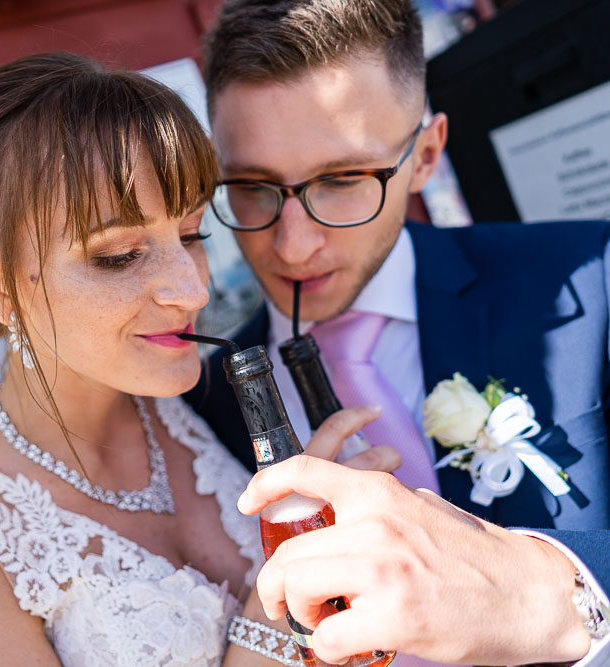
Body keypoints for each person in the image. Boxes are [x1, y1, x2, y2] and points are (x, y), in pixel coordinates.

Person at [0, 52, 397, 666]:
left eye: (190, 235)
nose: (193, 291)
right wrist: (284, 600)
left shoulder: (200, 401)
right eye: (119, 255)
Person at [186, 1, 610, 666]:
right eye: (252, 188)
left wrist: (539, 591)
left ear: (427, 154)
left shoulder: (594, 276)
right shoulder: (197, 403)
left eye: (343, 180)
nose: (292, 246)